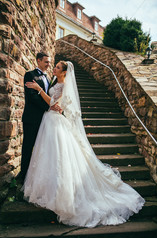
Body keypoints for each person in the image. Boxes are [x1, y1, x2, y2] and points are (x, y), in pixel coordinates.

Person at [23, 60, 145, 228]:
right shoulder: (53, 81)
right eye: (55, 66)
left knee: (58, 157)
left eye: (58, 67)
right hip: (48, 121)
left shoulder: (64, 85)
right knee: (47, 156)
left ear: (64, 72)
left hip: (56, 123)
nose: (54, 68)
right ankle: (47, 190)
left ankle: (62, 195)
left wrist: (38, 90)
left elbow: (54, 104)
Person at [20, 52, 62, 182]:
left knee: (41, 150)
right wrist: (49, 107)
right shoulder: (30, 75)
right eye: (46, 62)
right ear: (38, 61)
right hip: (32, 119)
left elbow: (50, 97)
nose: (49, 65)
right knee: (28, 147)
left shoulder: (49, 78)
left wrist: (54, 106)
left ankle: (36, 179)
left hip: (46, 120)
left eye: (50, 62)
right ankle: (23, 176)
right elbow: (32, 97)